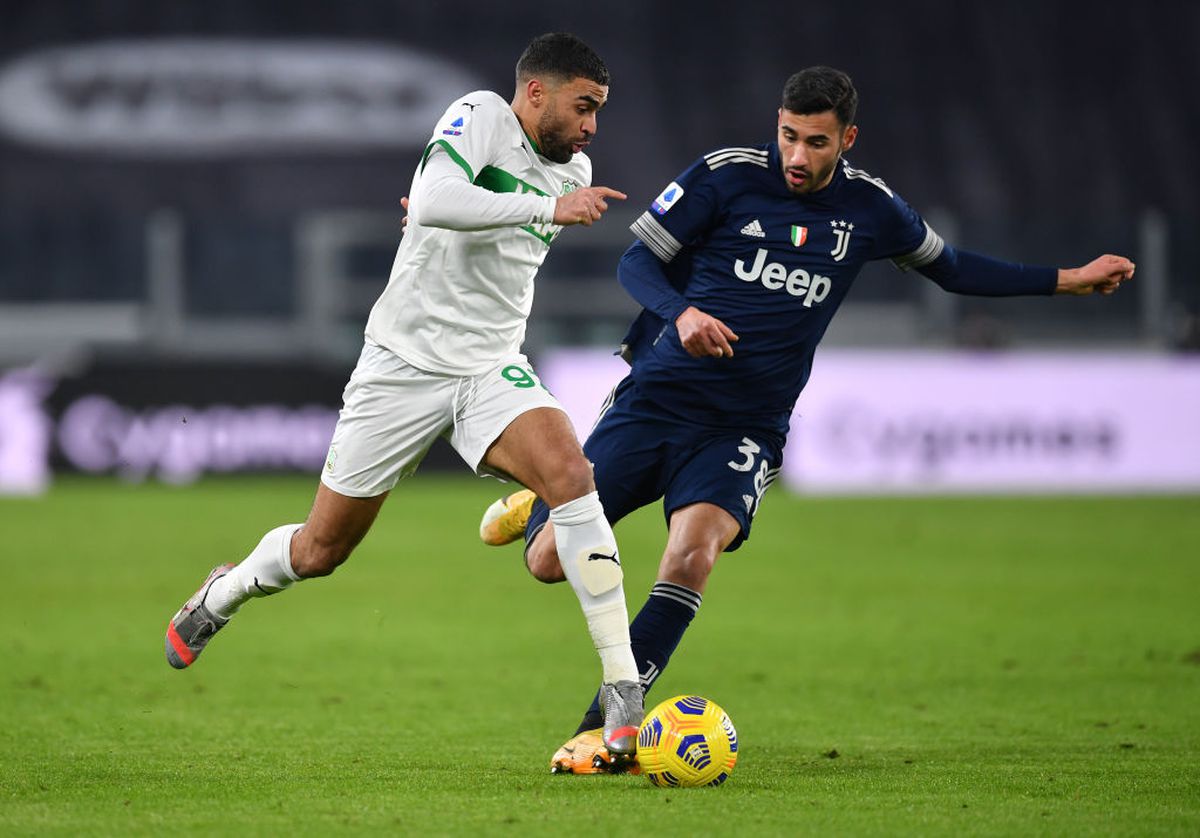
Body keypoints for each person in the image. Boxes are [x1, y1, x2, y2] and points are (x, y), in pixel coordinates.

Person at [478, 65, 1135, 774]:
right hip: (659, 400)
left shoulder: (872, 209)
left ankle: (608, 732)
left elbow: (951, 267)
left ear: (846, 139)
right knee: (548, 564)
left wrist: (1065, 279)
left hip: (746, 425)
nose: (797, 155)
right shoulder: (724, 176)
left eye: (816, 142)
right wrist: (684, 314)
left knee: (691, 556)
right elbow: (638, 263)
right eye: (788, 136)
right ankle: (544, 501)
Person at [163, 32, 646, 757]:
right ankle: (222, 594)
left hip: (488, 369)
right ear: (536, 93)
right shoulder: (481, 114)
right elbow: (433, 201)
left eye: (599, 111)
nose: (591, 127)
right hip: (402, 366)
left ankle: (622, 687)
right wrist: (536, 210)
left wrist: (486, 205)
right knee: (322, 549)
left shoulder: (570, 168)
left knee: (573, 476)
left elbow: (455, 212)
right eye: (583, 106)